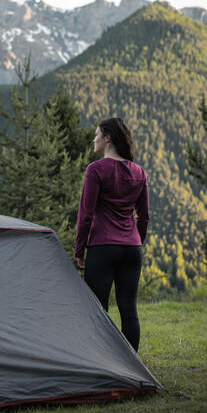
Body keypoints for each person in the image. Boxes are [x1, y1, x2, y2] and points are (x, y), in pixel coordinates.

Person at [73, 117, 149, 352]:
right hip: (131, 248)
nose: (93, 139)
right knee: (129, 310)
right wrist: (135, 242)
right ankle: (133, 372)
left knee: (98, 310)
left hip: (102, 246)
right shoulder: (138, 172)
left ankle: (103, 367)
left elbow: (85, 215)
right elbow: (143, 217)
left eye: (96, 134)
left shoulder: (95, 170)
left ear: (107, 138)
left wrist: (79, 251)